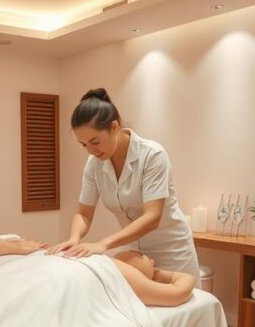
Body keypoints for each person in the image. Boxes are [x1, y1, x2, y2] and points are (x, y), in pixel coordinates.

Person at [47, 88, 200, 280]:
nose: (90, 150)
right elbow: (84, 213)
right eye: (84, 144)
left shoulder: (152, 155)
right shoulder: (94, 164)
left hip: (172, 251)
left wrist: (102, 244)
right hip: (134, 253)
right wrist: (74, 238)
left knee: (183, 306)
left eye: (95, 142)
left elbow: (152, 217)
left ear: (114, 127)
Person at [112, 250, 195, 307]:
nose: (153, 261)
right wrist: (170, 275)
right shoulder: (125, 277)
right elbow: (181, 292)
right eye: (141, 255)